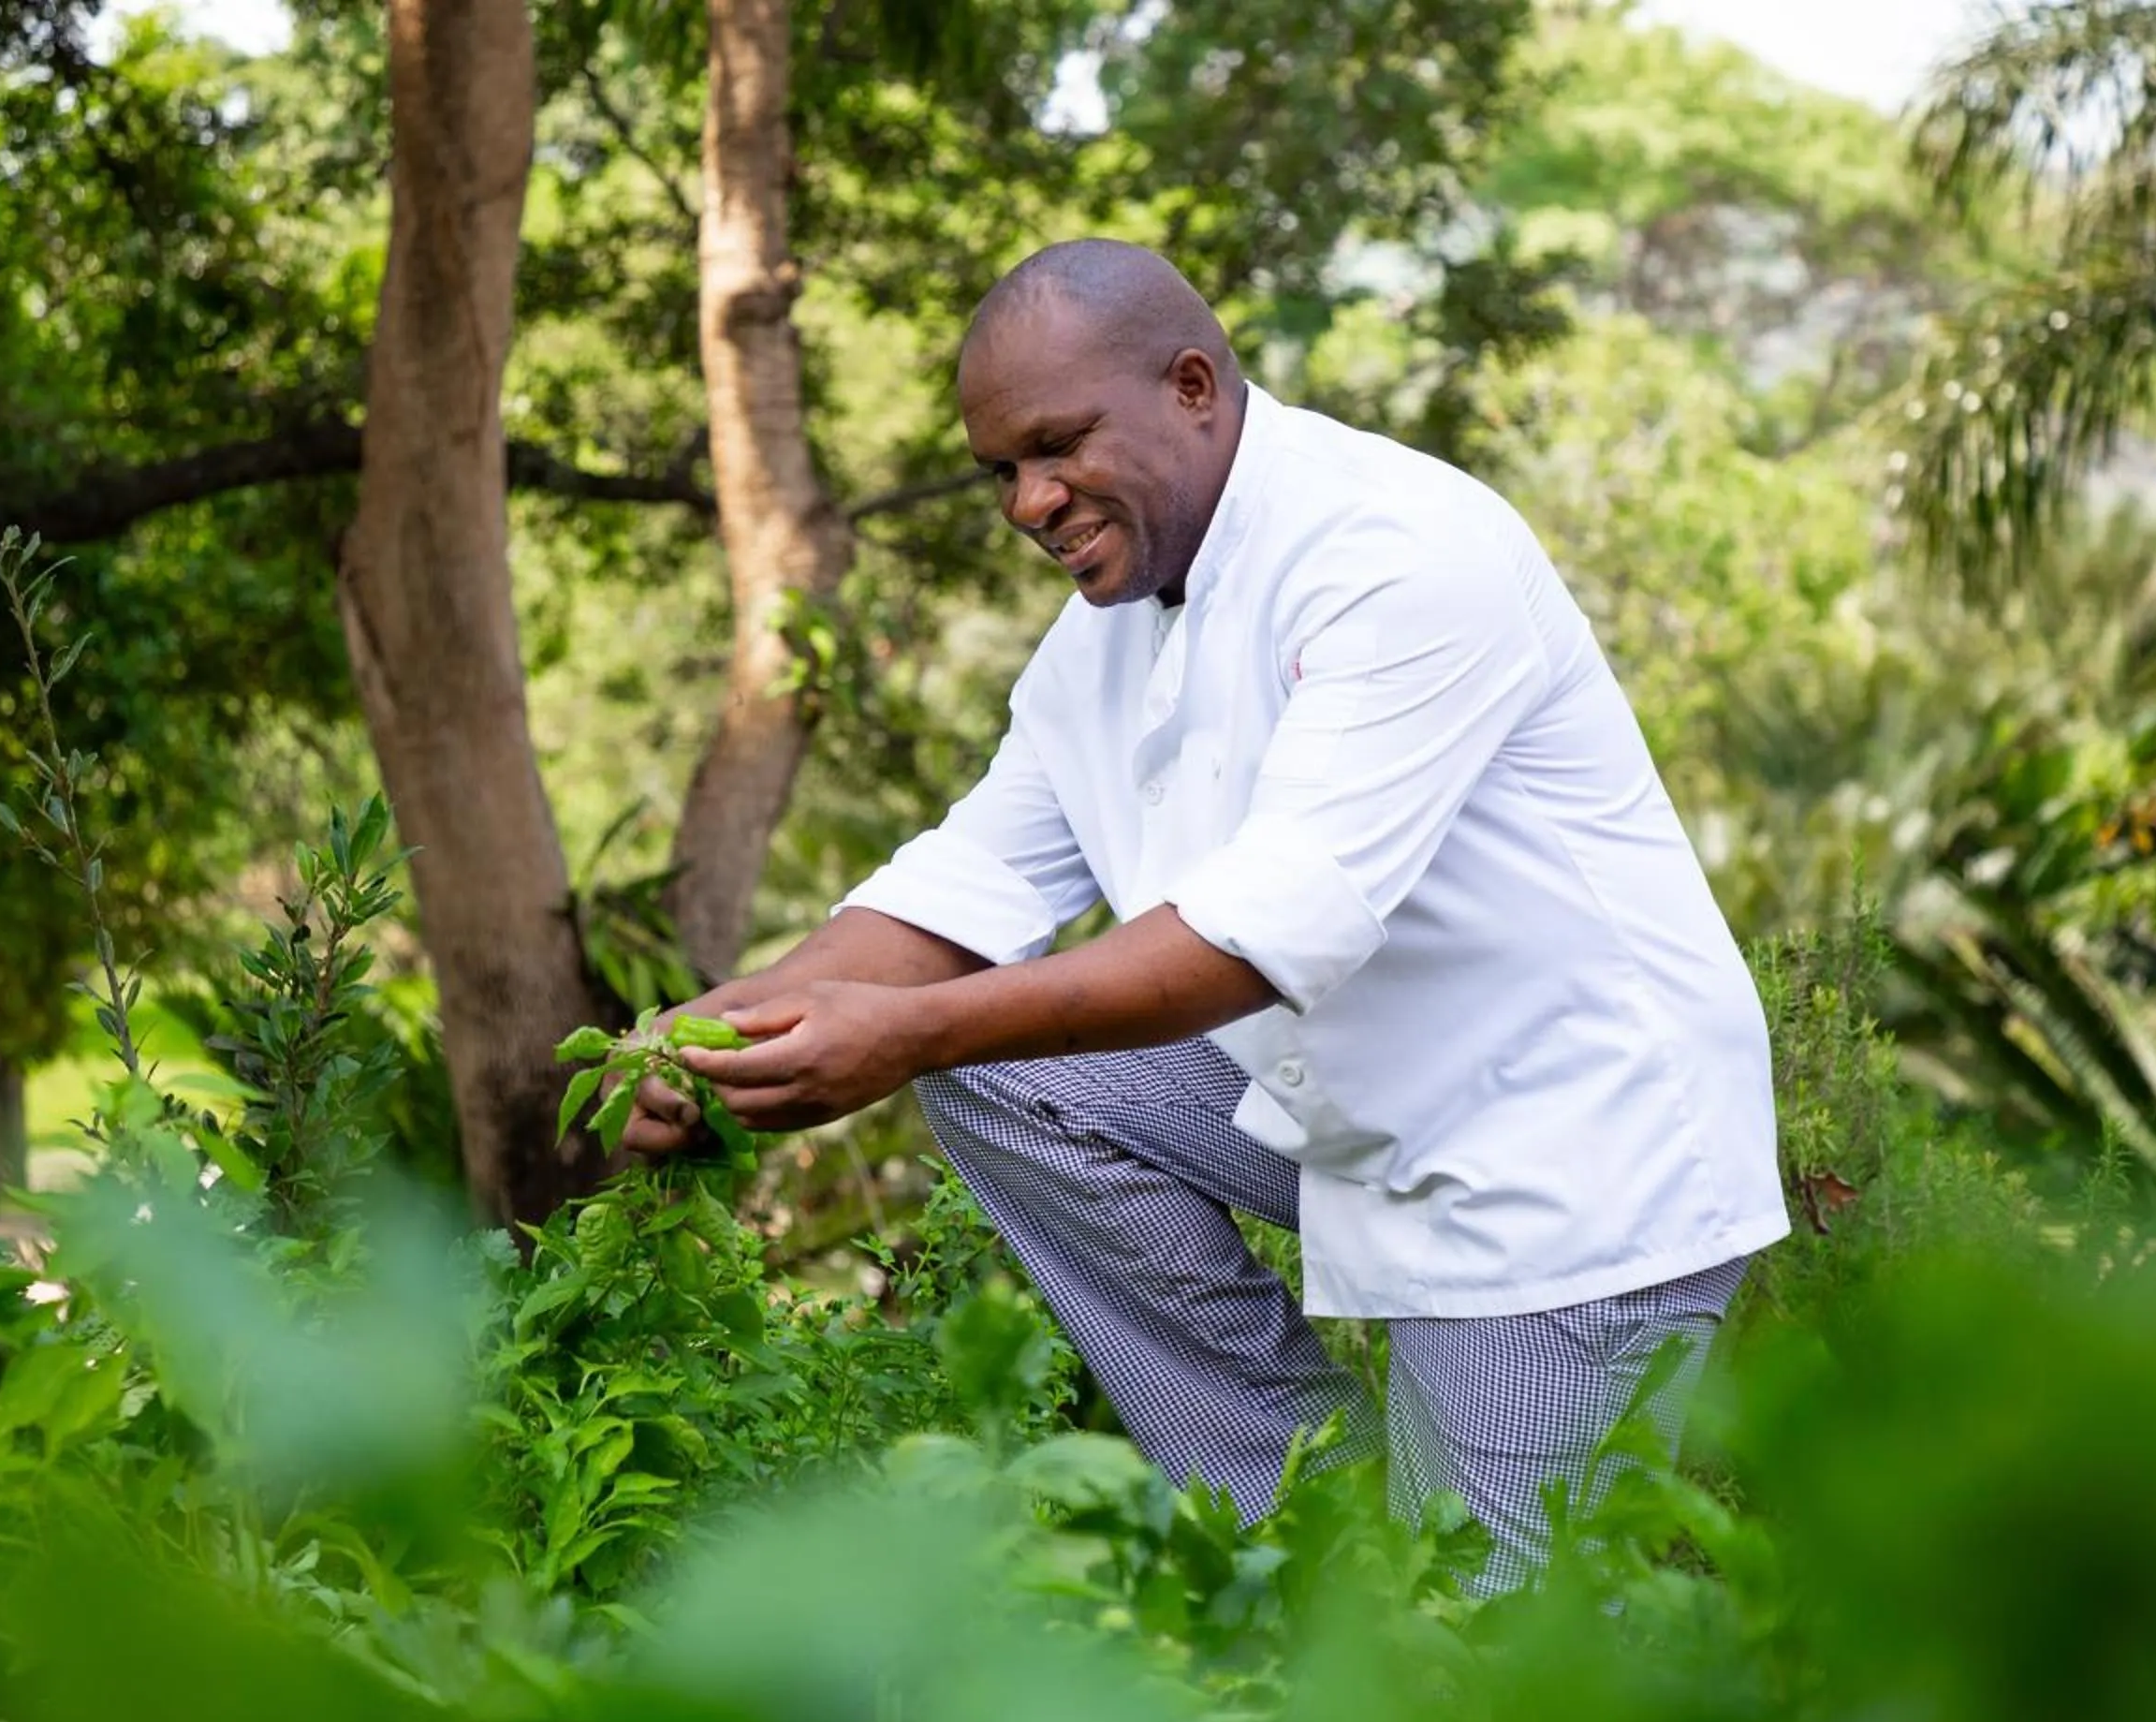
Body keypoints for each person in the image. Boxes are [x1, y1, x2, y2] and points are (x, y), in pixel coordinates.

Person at [624, 238, 1789, 1593]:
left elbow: (1254, 937)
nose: (1027, 502)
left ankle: (1402, 1611)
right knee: (1009, 1081)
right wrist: (707, 1038)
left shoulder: (1397, 555)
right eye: (1002, 469)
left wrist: (902, 1035)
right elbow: (968, 888)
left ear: (1192, 386)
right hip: (1366, 1095)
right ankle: (1313, 1537)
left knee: (1493, 1685)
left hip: (1558, 1158)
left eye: (1056, 447)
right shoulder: (1109, 629)